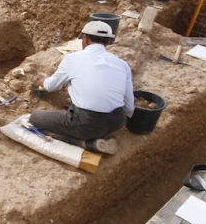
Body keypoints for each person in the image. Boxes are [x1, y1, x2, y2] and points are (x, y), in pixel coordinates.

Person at [31, 21, 134, 155]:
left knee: (35, 118)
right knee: (83, 115)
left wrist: (43, 81)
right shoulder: (122, 64)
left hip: (87, 124)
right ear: (108, 42)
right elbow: (130, 107)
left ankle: (86, 143)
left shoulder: (72, 59)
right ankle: (99, 136)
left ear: (85, 39)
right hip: (117, 122)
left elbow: (51, 86)